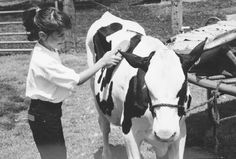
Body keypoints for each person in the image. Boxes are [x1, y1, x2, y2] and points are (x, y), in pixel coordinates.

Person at [23, 6, 121, 159]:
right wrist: (102, 62)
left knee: (58, 154)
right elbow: (78, 80)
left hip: (49, 113)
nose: (64, 39)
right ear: (42, 35)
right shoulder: (43, 60)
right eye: (60, 35)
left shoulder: (48, 49)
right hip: (43, 115)